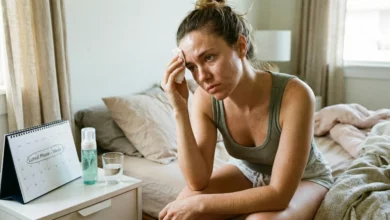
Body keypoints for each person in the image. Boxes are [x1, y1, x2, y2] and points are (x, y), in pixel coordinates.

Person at [159, 0, 333, 219]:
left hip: (306, 178)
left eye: (209, 57)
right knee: (183, 205)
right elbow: (197, 181)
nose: (202, 77)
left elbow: (279, 194)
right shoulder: (205, 99)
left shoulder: (295, 94)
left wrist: (203, 204)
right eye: (192, 67)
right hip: (248, 171)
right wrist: (180, 109)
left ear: (241, 46)